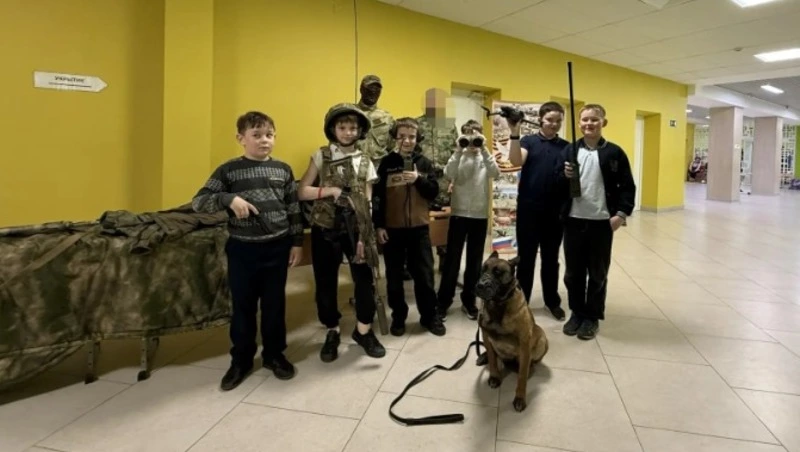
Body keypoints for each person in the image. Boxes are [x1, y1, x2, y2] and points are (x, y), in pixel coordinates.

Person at [191, 111, 304, 391]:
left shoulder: (283, 169)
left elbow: (293, 208)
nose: (264, 140)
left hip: (277, 248)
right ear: (241, 139)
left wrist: (297, 243)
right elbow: (199, 202)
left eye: (269, 135)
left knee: (274, 306)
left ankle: (274, 355)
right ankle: (241, 360)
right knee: (243, 308)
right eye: (257, 135)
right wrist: (228, 199)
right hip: (242, 250)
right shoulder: (228, 171)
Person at [297, 103, 386, 362]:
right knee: (325, 282)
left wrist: (364, 236)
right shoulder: (321, 155)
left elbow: (367, 201)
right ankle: (332, 329)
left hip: (357, 229)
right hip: (325, 228)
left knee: (364, 280)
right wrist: (330, 191)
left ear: (360, 131)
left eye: (353, 128)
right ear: (333, 129)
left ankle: (363, 330)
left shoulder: (366, 161)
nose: (348, 133)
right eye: (342, 127)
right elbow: (303, 191)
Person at [561, 104, 636, 340]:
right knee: (573, 273)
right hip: (573, 220)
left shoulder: (615, 153)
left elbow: (627, 186)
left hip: (601, 222)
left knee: (597, 273)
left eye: (594, 119)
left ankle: (592, 317)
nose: (589, 124)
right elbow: (555, 182)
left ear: (604, 122)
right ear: (579, 123)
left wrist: (621, 214)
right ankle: (577, 312)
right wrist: (564, 176)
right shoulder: (570, 150)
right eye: (585, 120)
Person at [372, 117, 446, 336]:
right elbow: (378, 197)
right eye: (402, 136)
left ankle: (429, 316)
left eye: (412, 137)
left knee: (425, 277)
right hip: (393, 230)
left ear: (417, 138)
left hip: (419, 230)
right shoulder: (386, 163)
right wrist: (379, 226)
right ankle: (398, 317)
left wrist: (418, 179)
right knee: (394, 279)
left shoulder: (424, 163)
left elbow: (433, 192)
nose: (407, 141)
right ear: (395, 138)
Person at [508, 101, 569, 321]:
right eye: (550, 120)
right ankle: (521, 302)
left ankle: (552, 301)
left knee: (551, 259)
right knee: (526, 258)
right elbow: (516, 161)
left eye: (558, 121)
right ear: (541, 119)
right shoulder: (528, 141)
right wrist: (514, 133)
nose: (554, 124)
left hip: (555, 211)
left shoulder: (567, 147)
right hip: (529, 209)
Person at [437, 120, 499, 321]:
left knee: (474, 261)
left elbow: (495, 173)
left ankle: (469, 301)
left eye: (476, 135)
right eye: (468, 136)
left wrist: (484, 148)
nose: (472, 140)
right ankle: (443, 302)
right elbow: (448, 174)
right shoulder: (459, 155)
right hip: (459, 214)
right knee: (452, 260)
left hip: (479, 215)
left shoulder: (484, 156)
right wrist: (458, 150)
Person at [415, 88, 460, 272]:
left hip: (444, 180)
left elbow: (457, 154)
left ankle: (444, 258)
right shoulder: (416, 124)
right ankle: (419, 261)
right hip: (423, 181)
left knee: (445, 220)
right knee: (420, 219)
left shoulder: (450, 126)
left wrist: (454, 180)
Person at [357, 74, 395, 166]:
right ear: (361, 89)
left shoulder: (387, 118)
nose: (373, 91)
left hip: (379, 168)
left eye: (377, 89)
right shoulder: (349, 113)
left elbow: (393, 147)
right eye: (369, 88)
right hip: (354, 166)